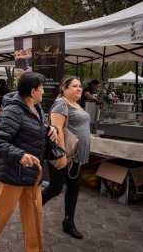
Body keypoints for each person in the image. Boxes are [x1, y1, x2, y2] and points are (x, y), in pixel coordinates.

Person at [0, 72, 58, 251]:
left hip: (33, 174)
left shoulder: (38, 108)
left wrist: (51, 129)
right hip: (13, 173)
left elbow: (39, 129)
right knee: (2, 215)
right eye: (41, 88)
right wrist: (20, 154)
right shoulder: (13, 111)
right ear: (32, 91)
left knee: (35, 217)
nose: (44, 92)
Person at [42, 77, 91, 239]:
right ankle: (32, 207)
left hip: (76, 155)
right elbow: (57, 130)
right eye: (74, 86)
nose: (79, 88)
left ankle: (68, 222)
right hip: (65, 155)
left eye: (80, 86)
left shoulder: (76, 104)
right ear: (64, 88)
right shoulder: (61, 104)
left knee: (74, 188)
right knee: (55, 188)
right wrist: (62, 155)